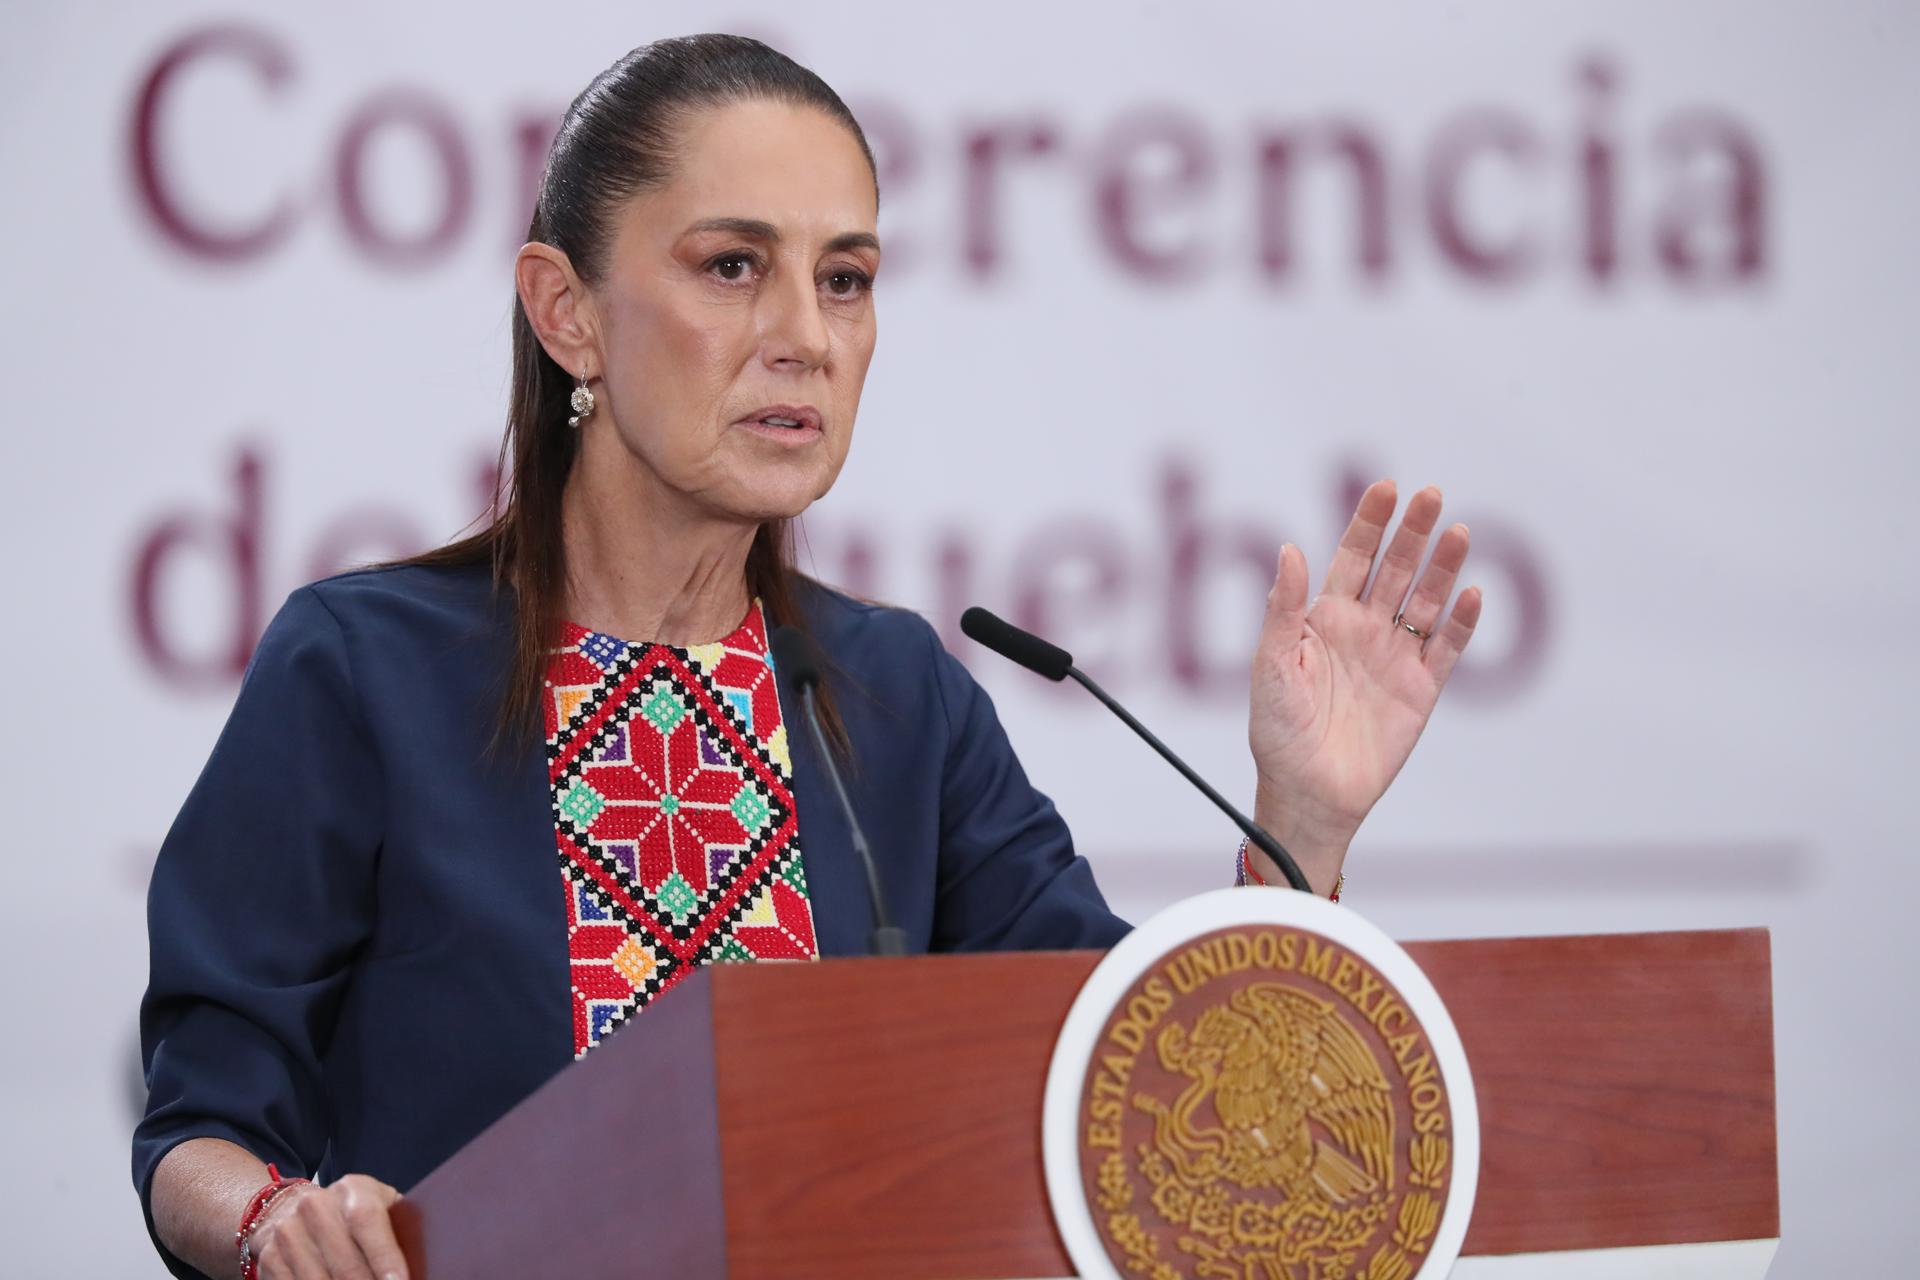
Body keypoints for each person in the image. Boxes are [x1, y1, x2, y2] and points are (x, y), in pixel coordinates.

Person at [133, 33, 1481, 1280]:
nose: (808, 337)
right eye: (733, 266)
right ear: (567, 312)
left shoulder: (898, 697)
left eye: (845, 278)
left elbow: (1131, 1091)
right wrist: (274, 1224)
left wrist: (1299, 827)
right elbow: (199, 1124)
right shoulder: (366, 671)